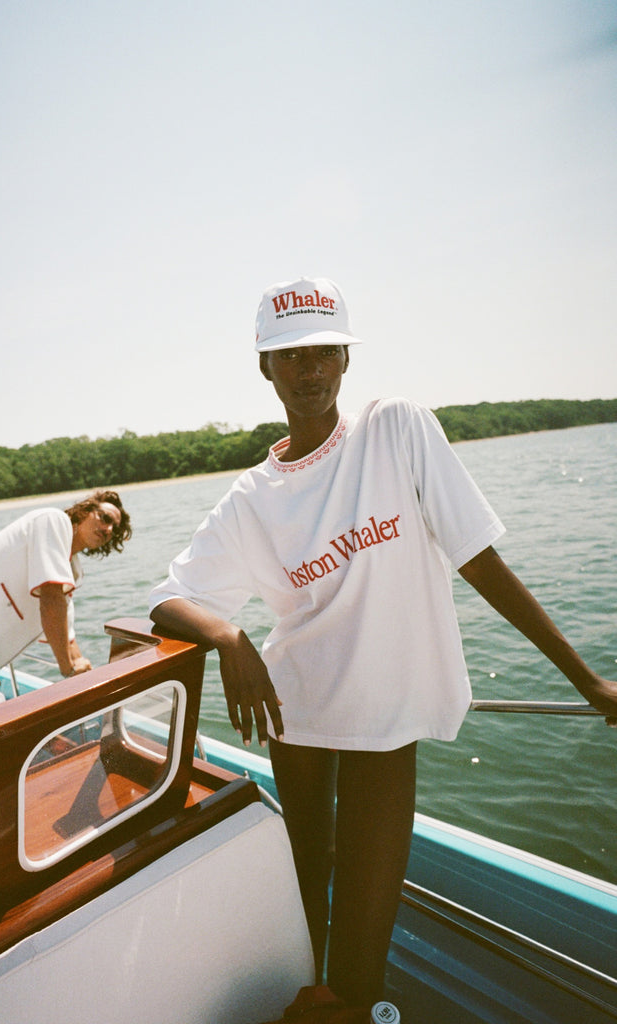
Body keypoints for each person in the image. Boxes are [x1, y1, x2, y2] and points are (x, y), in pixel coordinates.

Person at [148, 277, 617, 1011]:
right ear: (263, 367)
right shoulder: (251, 497)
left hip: (381, 721)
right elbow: (168, 598)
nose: (308, 371)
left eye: (323, 353)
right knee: (306, 890)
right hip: (294, 716)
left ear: (344, 359)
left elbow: (476, 558)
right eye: (289, 356)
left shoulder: (396, 427)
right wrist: (227, 633)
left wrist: (586, 681)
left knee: (362, 939)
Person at [0, 488, 132, 692]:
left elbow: (65, 631)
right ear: (84, 511)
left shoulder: (71, 570)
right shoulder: (53, 521)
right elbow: (51, 601)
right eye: (105, 517)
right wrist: (68, 669)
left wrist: (83, 669)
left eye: (114, 528)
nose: (108, 529)